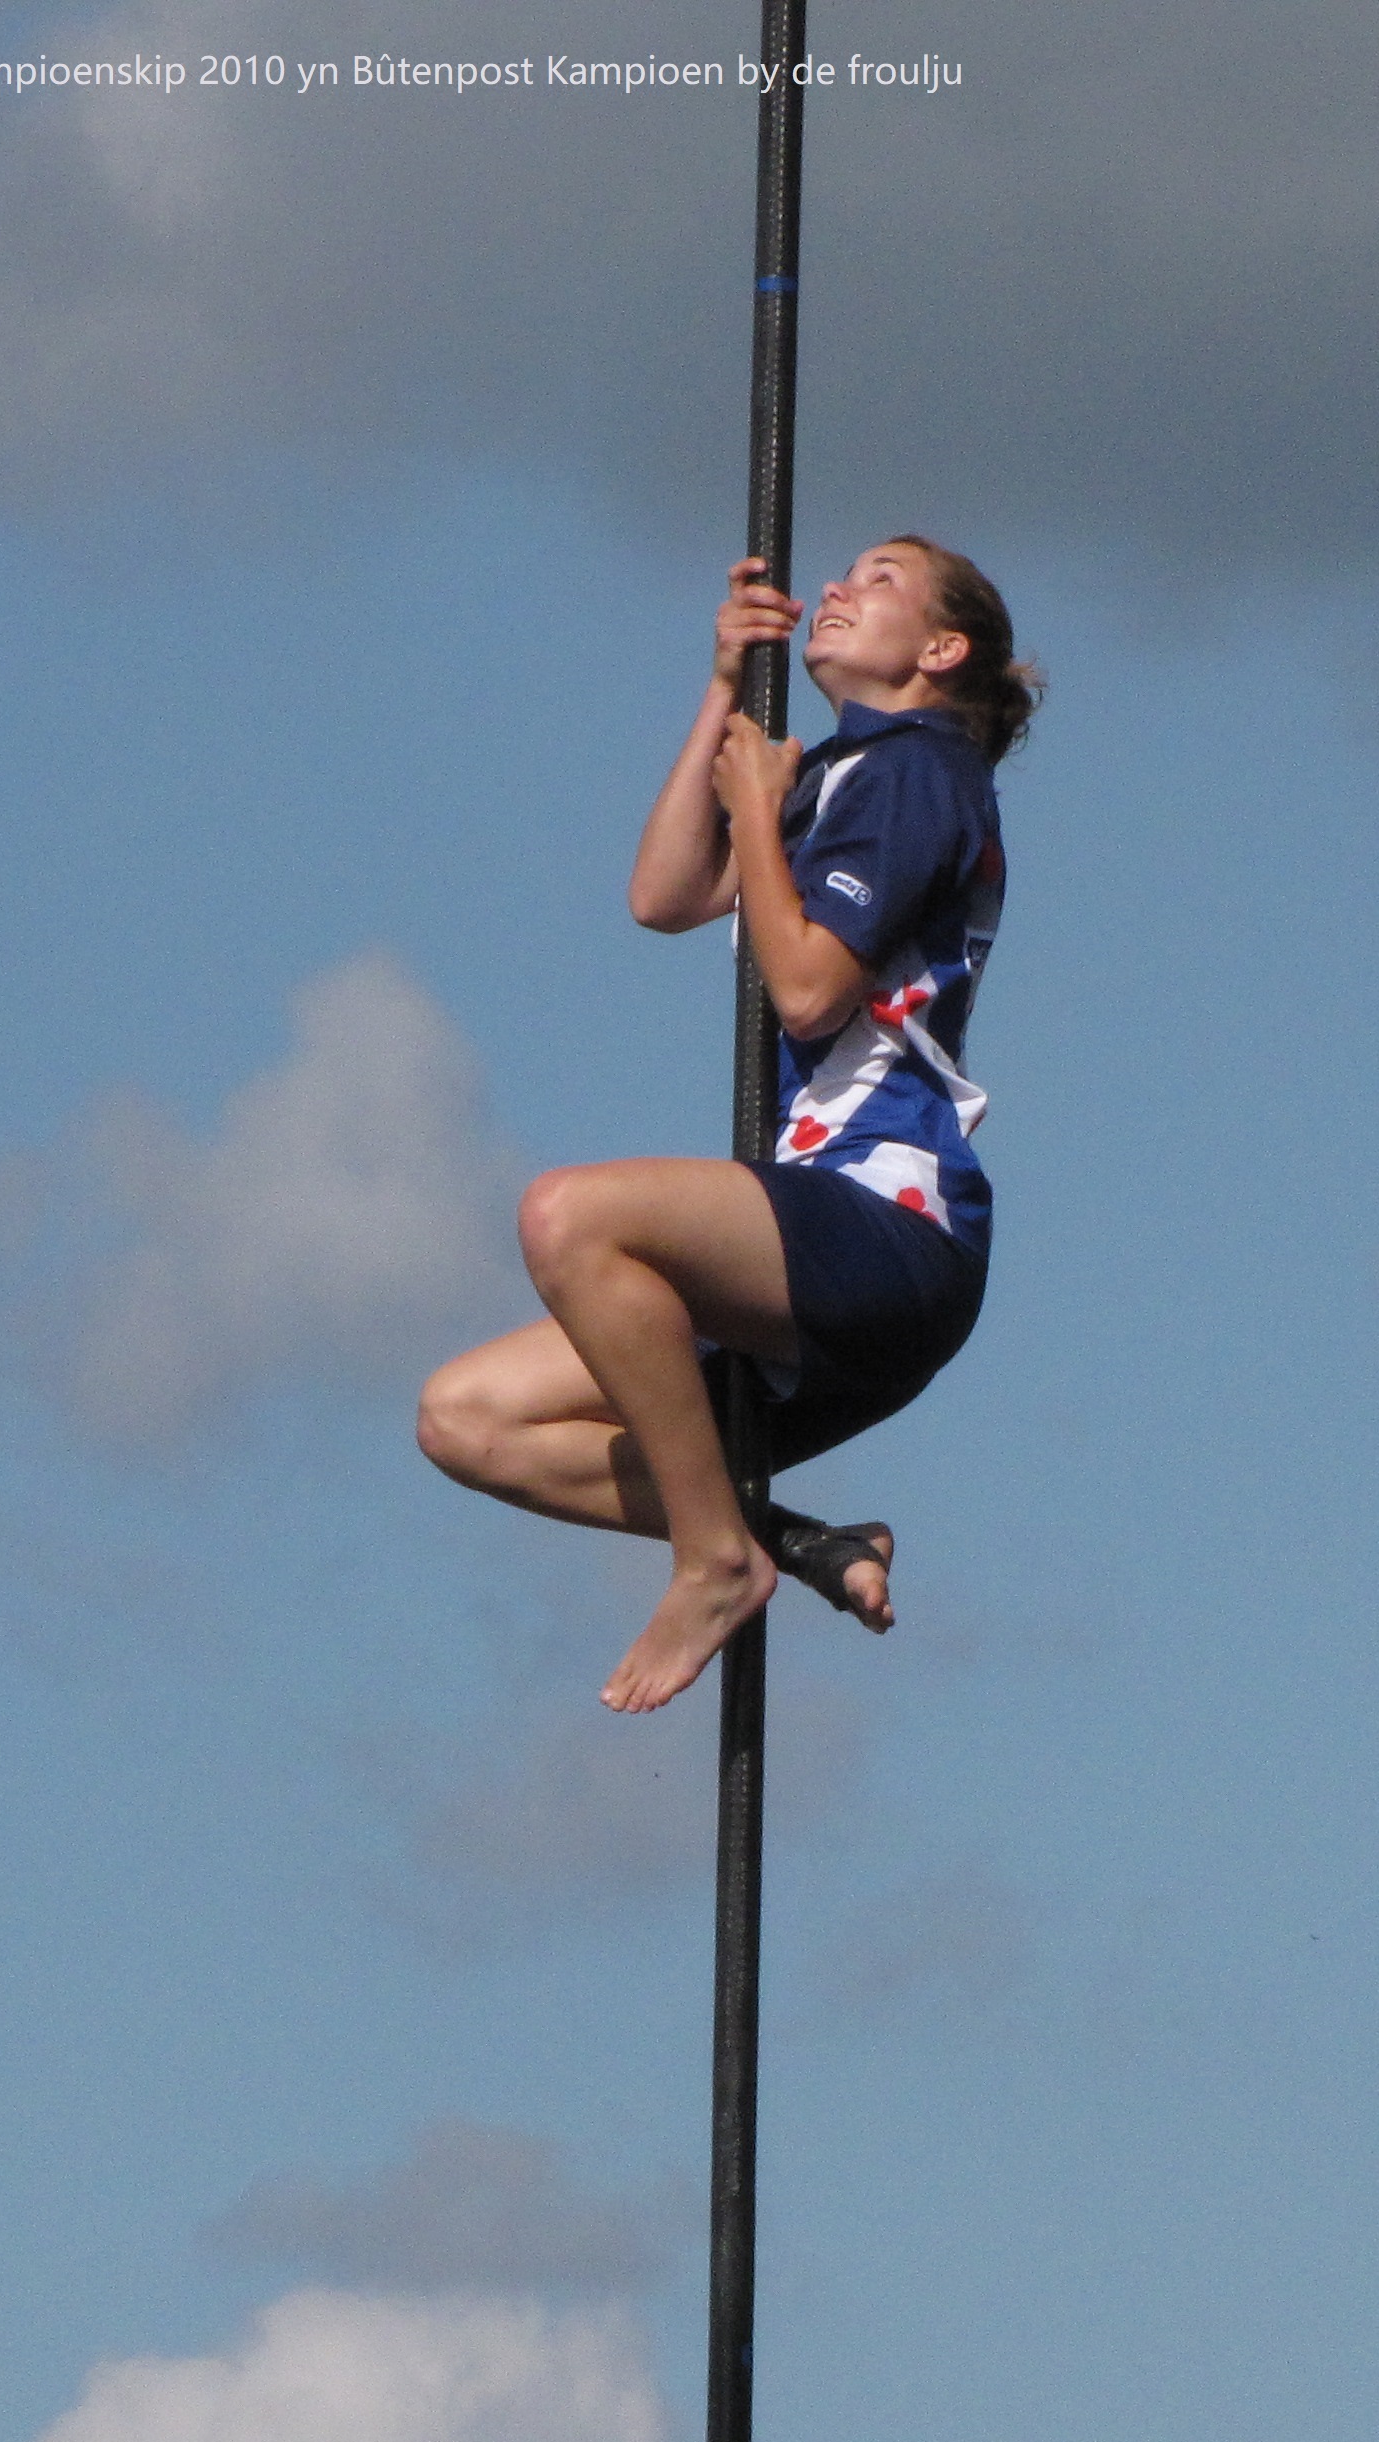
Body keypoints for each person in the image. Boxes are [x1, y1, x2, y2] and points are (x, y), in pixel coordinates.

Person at [417, 539, 1034, 1712]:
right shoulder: (844, 774)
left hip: (891, 1225)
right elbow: (663, 896)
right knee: (467, 1418)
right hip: (814, 1242)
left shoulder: (917, 773)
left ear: (942, 649)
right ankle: (791, 1541)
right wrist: (720, 692)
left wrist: (755, 805)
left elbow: (806, 990)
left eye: (882, 581)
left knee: (571, 1219)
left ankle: (714, 1559)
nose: (839, 590)